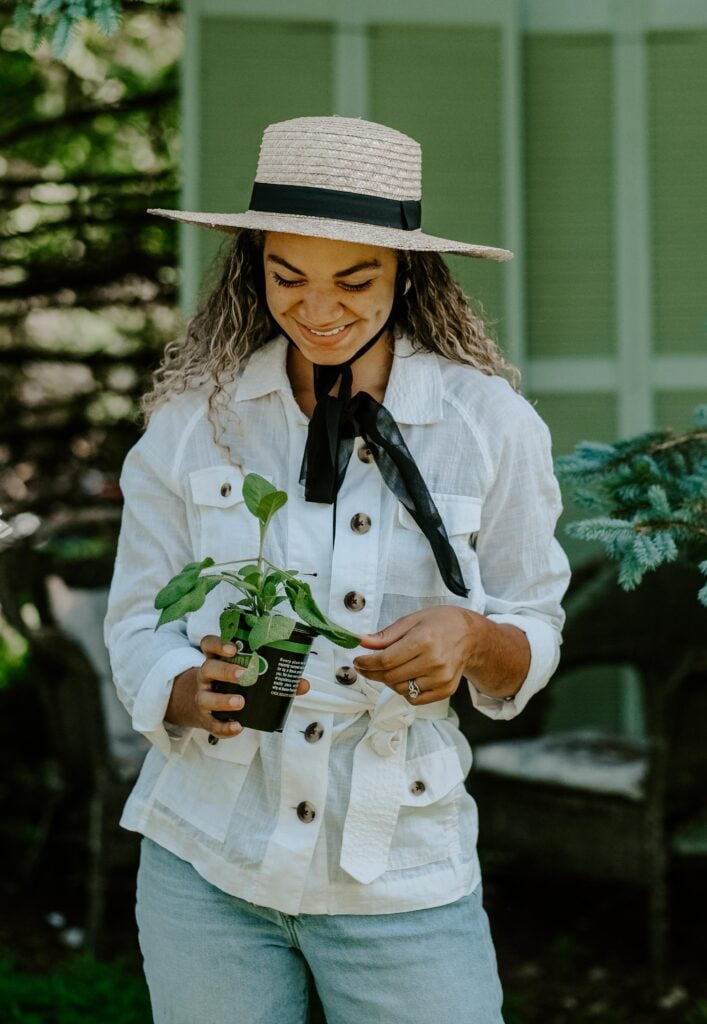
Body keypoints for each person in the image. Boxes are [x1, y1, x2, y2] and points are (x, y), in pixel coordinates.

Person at [105, 116, 570, 1024]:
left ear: (408, 274)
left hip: (401, 871)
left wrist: (472, 638)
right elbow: (135, 620)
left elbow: (535, 624)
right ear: (254, 268)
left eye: (353, 280)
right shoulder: (190, 427)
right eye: (287, 277)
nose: (317, 309)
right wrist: (183, 687)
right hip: (206, 858)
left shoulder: (491, 427)